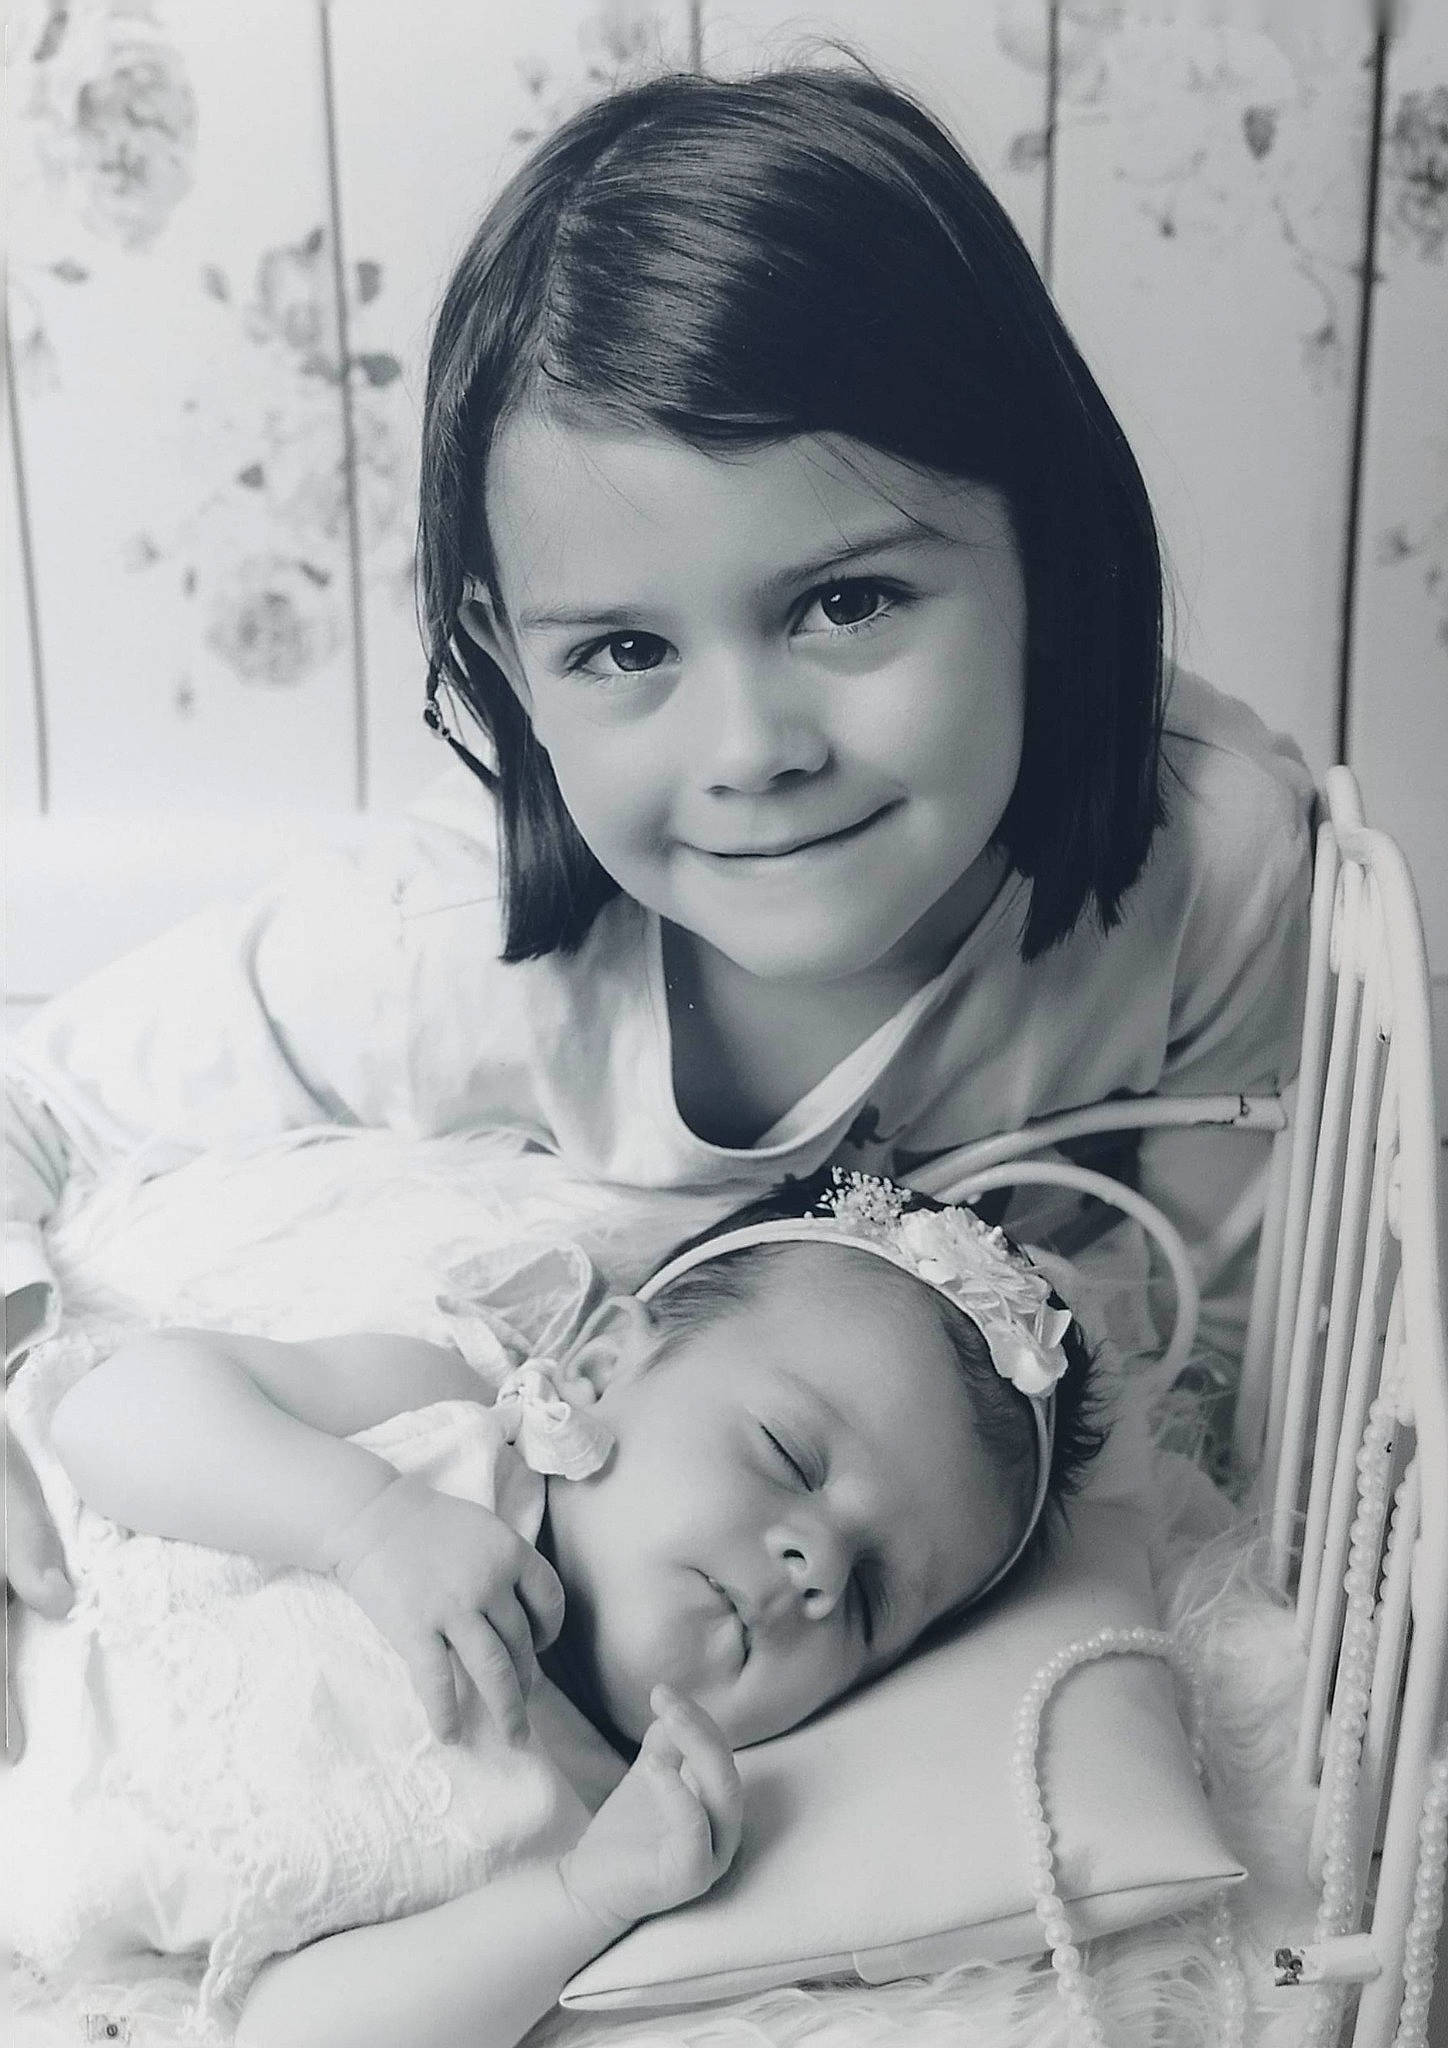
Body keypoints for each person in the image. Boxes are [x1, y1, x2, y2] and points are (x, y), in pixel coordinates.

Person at [3, 65, 1314, 1753]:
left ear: (1044, 558)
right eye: (623, 649)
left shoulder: (1197, 867)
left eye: (845, 601)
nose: (750, 750)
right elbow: (34, 1092)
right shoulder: (447, 940)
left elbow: (1221, 1395)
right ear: (509, 662)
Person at [5, 1172, 1100, 2048]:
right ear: (599, 1362)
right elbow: (114, 1413)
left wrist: (582, 1898)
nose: (812, 1562)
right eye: (787, 1453)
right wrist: (364, 1521)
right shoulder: (432, 1419)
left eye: (863, 1598)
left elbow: (293, 2026)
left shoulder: (573, 1816)